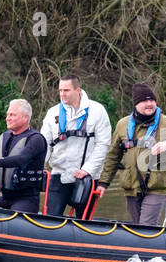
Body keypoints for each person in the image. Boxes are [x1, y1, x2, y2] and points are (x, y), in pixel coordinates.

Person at [96, 83, 166, 225]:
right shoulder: (122, 124)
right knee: (137, 229)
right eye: (144, 101)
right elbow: (113, 156)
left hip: (156, 187)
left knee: (145, 229)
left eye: (152, 100)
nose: (149, 104)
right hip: (131, 187)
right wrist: (103, 182)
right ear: (136, 104)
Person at [40, 74, 112, 218]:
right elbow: (45, 144)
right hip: (59, 174)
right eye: (60, 90)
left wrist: (87, 169)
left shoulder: (97, 111)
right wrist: (39, 165)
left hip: (86, 177)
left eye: (66, 90)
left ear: (78, 90)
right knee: (50, 219)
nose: (62, 94)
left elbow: (103, 145)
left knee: (84, 221)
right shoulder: (52, 112)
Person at [0, 99, 48, 212]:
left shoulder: (36, 139)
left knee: (15, 218)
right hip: (5, 198)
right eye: (7, 115)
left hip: (26, 199)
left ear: (25, 118)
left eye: (12, 115)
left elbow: (20, 159)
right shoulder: (4, 137)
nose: (7, 118)